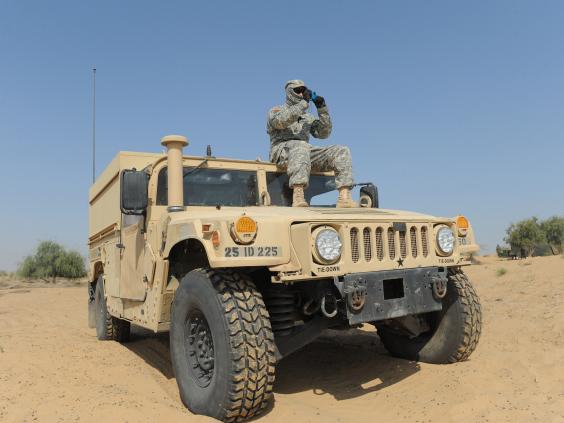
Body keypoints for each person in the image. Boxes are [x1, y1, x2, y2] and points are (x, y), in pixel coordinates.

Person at [267, 80, 357, 208]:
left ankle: (344, 197)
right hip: (281, 151)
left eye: (303, 90)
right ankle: (298, 195)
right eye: (298, 90)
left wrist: (322, 108)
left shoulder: (307, 117)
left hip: (304, 152)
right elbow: (280, 122)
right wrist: (303, 104)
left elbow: (323, 133)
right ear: (289, 92)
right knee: (300, 146)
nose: (301, 93)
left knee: (341, 150)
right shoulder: (276, 110)